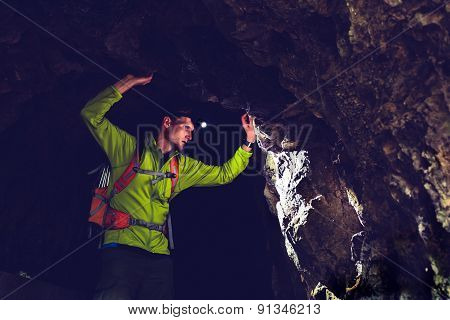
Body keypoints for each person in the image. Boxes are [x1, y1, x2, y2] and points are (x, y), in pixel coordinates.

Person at [80, 73, 256, 299]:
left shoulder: (182, 167)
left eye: (192, 131)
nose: (190, 135)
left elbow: (224, 174)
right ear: (167, 123)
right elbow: (91, 114)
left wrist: (248, 141)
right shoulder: (128, 149)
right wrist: (129, 82)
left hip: (159, 258)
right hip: (121, 251)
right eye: (187, 128)